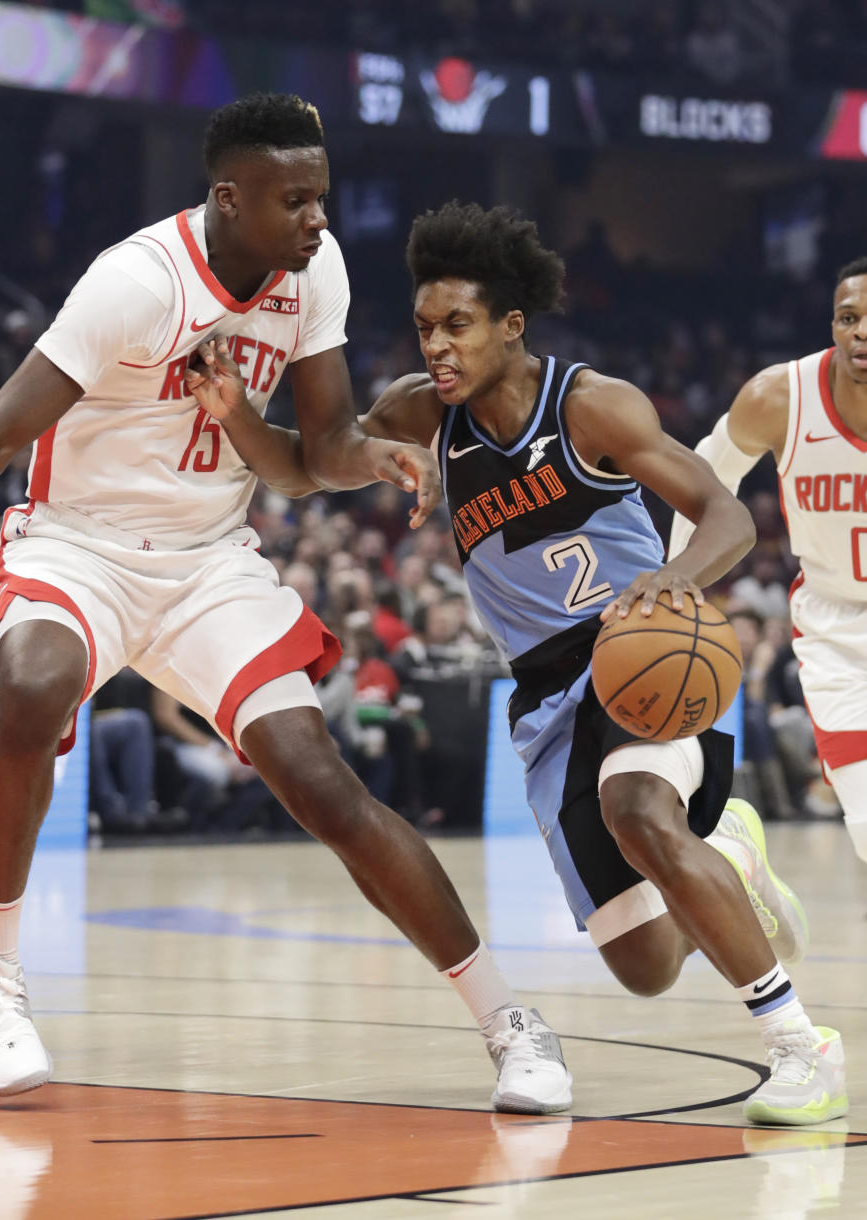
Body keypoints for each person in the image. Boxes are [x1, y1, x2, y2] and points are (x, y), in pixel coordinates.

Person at [0, 95, 566, 1113]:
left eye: (322, 197)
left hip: (210, 557)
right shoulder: (135, 283)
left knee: (321, 780)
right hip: (79, 543)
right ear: (229, 198)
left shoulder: (315, 274)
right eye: (295, 200)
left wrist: (376, 457)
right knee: (34, 686)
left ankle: (508, 1019)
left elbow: (317, 454)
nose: (317, 218)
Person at [190, 200, 847, 1126]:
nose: (438, 347)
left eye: (457, 325)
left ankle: (801, 1047)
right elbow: (313, 465)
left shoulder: (592, 406)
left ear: (511, 324)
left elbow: (730, 516)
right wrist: (238, 422)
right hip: (545, 696)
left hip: (642, 654)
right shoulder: (423, 415)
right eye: (425, 328)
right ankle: (731, 854)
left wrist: (671, 582)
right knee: (646, 966)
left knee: (638, 811)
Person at [670, 256, 867, 865]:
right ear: (832, 325)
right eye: (848, 317)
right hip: (838, 632)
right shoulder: (780, 397)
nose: (860, 331)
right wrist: (679, 585)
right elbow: (705, 484)